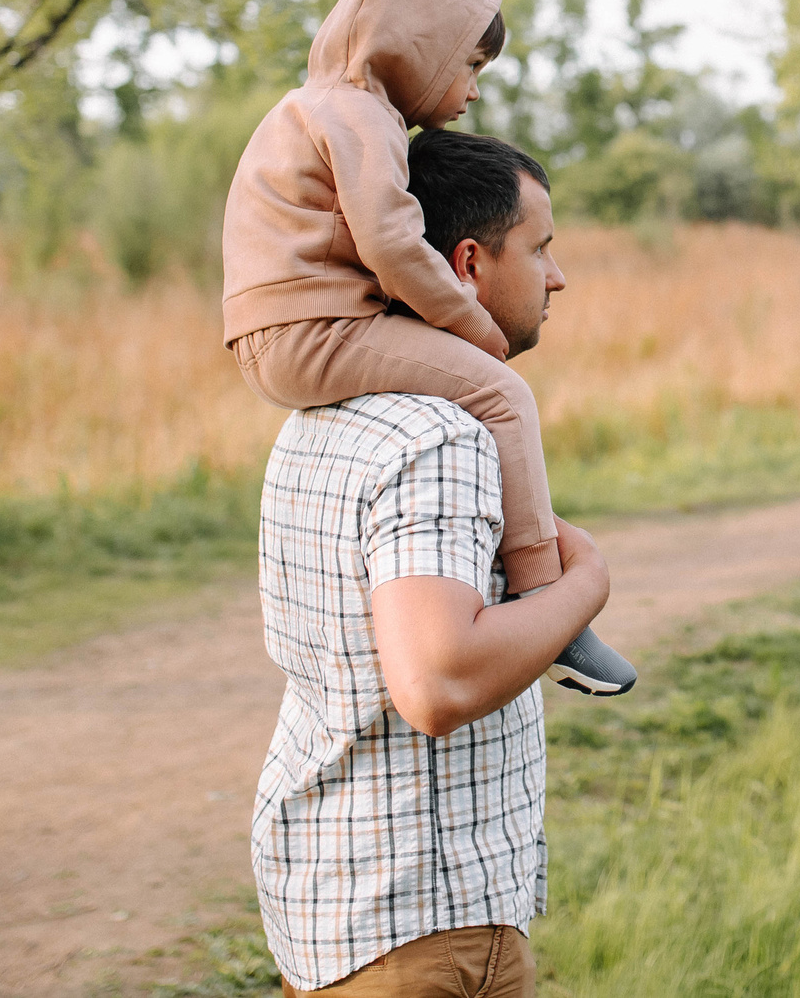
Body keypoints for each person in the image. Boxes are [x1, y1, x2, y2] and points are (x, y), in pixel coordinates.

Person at [220, 0, 633, 696]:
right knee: (499, 392)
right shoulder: (359, 112)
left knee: (479, 385)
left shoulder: (317, 105)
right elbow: (391, 239)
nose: (473, 87)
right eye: (471, 63)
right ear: (420, 44)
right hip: (314, 327)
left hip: (275, 327)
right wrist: (474, 330)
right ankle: (548, 597)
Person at [252, 127, 604, 995]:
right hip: (424, 928)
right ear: (470, 262)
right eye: (543, 247)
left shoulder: (323, 415)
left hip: (341, 900)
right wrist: (588, 587)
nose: (558, 276)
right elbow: (437, 683)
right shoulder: (440, 436)